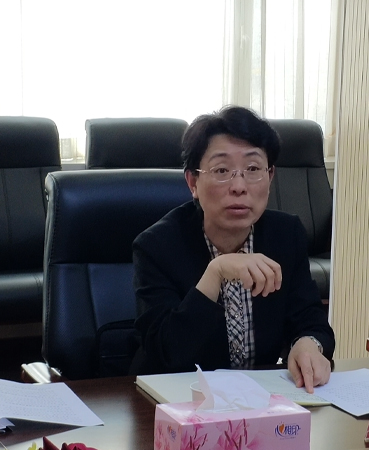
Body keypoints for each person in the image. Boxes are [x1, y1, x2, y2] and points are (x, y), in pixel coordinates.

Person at [133, 106, 334, 391]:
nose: (239, 186)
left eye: (253, 169)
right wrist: (215, 273)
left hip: (259, 400)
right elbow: (166, 354)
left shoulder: (285, 235)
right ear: (193, 182)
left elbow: (311, 319)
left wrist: (308, 344)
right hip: (178, 402)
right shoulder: (157, 246)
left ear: (270, 176)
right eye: (222, 170)